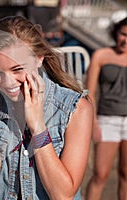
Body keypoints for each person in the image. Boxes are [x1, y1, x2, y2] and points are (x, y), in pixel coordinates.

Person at [0, 16, 93, 199]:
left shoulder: (75, 108)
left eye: (17, 70)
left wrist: (37, 125)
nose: (8, 83)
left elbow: (63, 195)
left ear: (39, 59)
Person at [85, 17, 127, 200]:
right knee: (100, 174)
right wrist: (93, 123)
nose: (126, 40)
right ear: (116, 33)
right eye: (123, 34)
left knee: (126, 175)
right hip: (106, 120)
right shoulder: (101, 55)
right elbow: (90, 94)